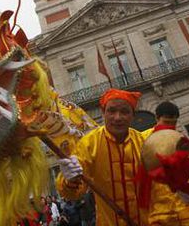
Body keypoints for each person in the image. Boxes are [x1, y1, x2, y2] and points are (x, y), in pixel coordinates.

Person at [56, 88, 149, 225]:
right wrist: (70, 179)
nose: (117, 117)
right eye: (111, 111)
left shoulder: (143, 142)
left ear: (132, 116)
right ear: (103, 113)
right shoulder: (89, 144)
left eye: (124, 112)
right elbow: (73, 193)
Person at [141, 101, 189, 225]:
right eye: (166, 122)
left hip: (185, 207)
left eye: (173, 123)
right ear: (157, 118)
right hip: (159, 209)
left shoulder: (179, 139)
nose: (170, 126)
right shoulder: (143, 139)